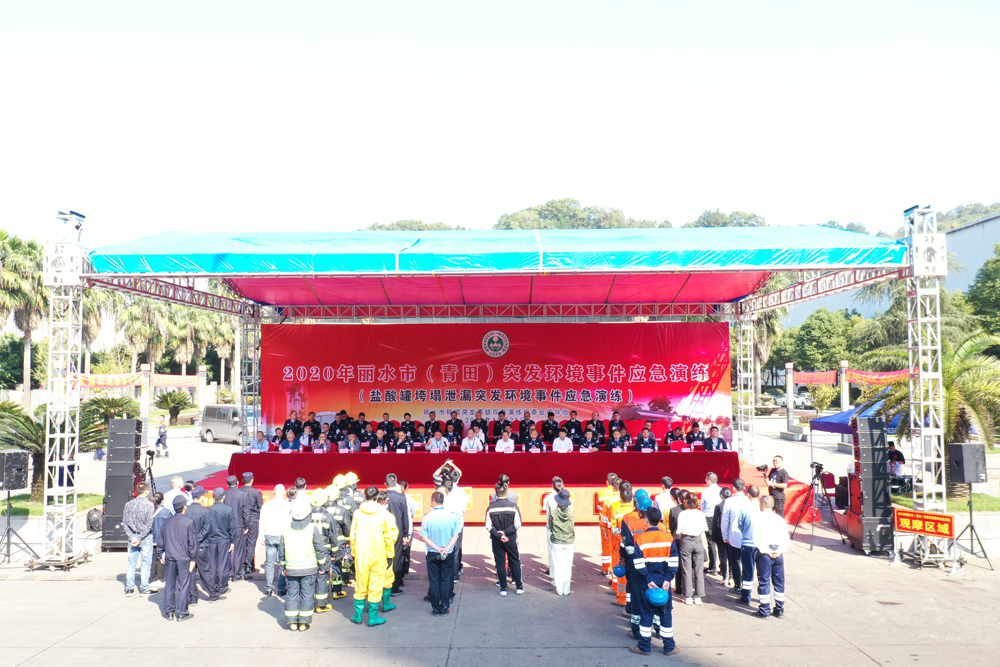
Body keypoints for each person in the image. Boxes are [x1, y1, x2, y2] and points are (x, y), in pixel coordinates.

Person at [628, 507, 679, 656]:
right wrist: (668, 579)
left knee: (646, 613)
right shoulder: (668, 538)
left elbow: (638, 563)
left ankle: (644, 646)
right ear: (659, 521)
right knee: (665, 613)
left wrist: (648, 580)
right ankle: (669, 646)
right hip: (664, 581)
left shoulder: (641, 539)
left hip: (647, 581)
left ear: (646, 520)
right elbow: (674, 561)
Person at [350, 486, 398, 626]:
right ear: (377, 497)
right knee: (376, 584)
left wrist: (354, 552)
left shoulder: (358, 513)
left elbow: (353, 535)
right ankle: (372, 617)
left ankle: (358, 616)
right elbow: (389, 536)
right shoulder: (384, 514)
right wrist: (390, 554)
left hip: (361, 553)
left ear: (365, 496)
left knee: (361, 583)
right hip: (379, 553)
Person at [280, 498, 327, 631]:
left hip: (292, 569)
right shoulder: (312, 528)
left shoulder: (286, 529)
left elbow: (281, 551)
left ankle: (292, 622)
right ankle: (303, 623)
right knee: (307, 595)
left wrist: (283, 567)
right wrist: (322, 566)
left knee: (292, 594)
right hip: (309, 569)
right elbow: (319, 548)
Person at [417, 490, 462, 616]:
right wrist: (446, 549)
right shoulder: (452, 517)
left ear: (433, 501)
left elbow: (424, 538)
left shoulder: (427, 518)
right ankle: (445, 606)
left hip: (432, 553)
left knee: (434, 581)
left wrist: (437, 548)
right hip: (448, 552)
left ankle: (435, 608)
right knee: (445, 580)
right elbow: (456, 536)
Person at [160, 496, 197, 621]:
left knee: (170, 585)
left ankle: (169, 612)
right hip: (183, 558)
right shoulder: (189, 522)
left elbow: (161, 540)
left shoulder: (166, 522)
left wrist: (160, 554)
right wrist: (193, 558)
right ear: (185, 507)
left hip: (170, 557)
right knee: (183, 585)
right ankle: (182, 612)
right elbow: (192, 543)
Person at [753, 495, 789, 619]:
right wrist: (779, 551)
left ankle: (764, 610)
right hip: (778, 553)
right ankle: (779, 609)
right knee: (779, 581)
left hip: (765, 554)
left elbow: (756, 538)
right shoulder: (779, 520)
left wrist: (767, 551)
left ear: (763, 505)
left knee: (764, 581)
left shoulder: (759, 519)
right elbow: (785, 538)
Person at [487, 483, 524, 596]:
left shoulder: (491, 508)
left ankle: (503, 587)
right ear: (507, 492)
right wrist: (506, 533)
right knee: (515, 561)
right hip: (510, 538)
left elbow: (488, 526)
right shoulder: (513, 506)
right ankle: (519, 586)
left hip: (497, 539)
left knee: (500, 562)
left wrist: (499, 535)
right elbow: (518, 524)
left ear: (496, 493)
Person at [123, 481, 155, 597]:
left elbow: (125, 523)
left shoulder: (128, 504)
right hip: (145, 538)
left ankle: (129, 588)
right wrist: (140, 537)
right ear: (146, 491)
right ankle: (145, 588)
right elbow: (149, 524)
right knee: (145, 564)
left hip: (132, 537)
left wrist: (133, 537)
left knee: (131, 564)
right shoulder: (149, 505)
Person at [206, 487, 236, 601]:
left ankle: (214, 585)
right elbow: (232, 527)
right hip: (224, 539)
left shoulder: (208, 509)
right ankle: (223, 586)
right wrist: (232, 541)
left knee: (213, 564)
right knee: (223, 564)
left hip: (212, 539)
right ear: (224, 496)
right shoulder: (228, 509)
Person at [677, 495, 708, 605]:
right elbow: (703, 529)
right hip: (697, 540)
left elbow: (679, 531)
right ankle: (698, 596)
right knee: (699, 569)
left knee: (686, 569)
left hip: (686, 540)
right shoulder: (700, 514)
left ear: (686, 502)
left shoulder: (682, 514)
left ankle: (688, 596)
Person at [608, 483, 635, 607]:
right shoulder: (636, 512)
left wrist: (622, 541)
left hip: (620, 545)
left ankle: (621, 598)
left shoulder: (617, 511)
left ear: (621, 498)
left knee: (621, 572)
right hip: (636, 545)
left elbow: (614, 530)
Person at [260, 484, 290, 596]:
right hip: (283, 536)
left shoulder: (267, 505)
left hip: (270, 536)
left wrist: (262, 536)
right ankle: (281, 588)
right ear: (284, 493)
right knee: (282, 563)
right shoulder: (288, 505)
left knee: (269, 563)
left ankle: (269, 588)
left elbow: (262, 522)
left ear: (273, 493)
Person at [184, 487, 212, 607]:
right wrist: (197, 539)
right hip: (201, 545)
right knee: (205, 571)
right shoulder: (205, 511)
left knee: (190, 572)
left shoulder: (186, 510)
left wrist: (191, 540)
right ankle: (213, 593)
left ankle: (193, 597)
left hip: (188, 546)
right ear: (201, 497)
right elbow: (206, 528)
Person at [721, 478, 749, 595]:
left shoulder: (729, 501)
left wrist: (725, 535)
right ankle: (746, 585)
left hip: (734, 537)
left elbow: (725, 520)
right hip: (748, 537)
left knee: (735, 561)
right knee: (746, 562)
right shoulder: (749, 500)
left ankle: (738, 585)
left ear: (733, 488)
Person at [385, 474, 411, 598]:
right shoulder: (401, 497)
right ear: (396, 484)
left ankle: (383, 585)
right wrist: (406, 533)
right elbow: (405, 516)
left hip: (383, 531)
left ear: (385, 484)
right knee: (396, 558)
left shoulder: (381, 496)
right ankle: (394, 585)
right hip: (398, 531)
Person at [222, 475, 250, 582]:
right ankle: (237, 574)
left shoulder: (224, 495)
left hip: (226, 526)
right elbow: (246, 512)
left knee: (228, 550)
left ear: (227, 484)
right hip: (239, 525)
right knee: (239, 551)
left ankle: (229, 571)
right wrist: (246, 525)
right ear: (237, 483)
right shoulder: (243, 495)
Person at [737, 485, 762, 604]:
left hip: (748, 543)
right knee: (762, 572)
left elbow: (740, 525)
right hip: (761, 545)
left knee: (747, 570)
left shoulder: (745, 508)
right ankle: (763, 597)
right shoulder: (763, 507)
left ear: (748, 494)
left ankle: (746, 596)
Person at [548, 488, 575, 595]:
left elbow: (550, 526)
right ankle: (566, 590)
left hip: (557, 541)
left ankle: (559, 590)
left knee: (558, 566)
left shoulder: (553, 512)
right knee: (567, 566)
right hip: (569, 541)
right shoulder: (570, 513)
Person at [240, 472, 263, 577]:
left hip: (242, 520)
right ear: (252, 480)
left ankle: (242, 564)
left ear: (242, 481)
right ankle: (249, 566)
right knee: (251, 543)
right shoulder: (256, 492)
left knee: (242, 544)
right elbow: (260, 507)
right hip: (253, 520)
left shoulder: (239, 492)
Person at [597, 474, 620, 575]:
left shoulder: (601, 493)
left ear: (607, 482)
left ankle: (606, 568)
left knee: (606, 545)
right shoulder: (622, 495)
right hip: (617, 525)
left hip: (605, 524)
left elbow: (600, 508)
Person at [700, 473, 722, 574]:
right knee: (721, 542)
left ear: (709, 480)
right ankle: (722, 567)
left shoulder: (705, 492)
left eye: (706, 479)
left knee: (711, 542)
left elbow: (703, 507)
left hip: (709, 518)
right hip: (720, 518)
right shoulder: (721, 490)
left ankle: (713, 567)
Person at [712, 487, 733, 586]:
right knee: (732, 556)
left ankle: (725, 577)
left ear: (721, 496)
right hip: (732, 534)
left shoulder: (718, 506)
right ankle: (731, 577)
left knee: (723, 556)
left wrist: (713, 537)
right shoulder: (733, 506)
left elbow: (715, 522)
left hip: (721, 534)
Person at [150, 493, 170, 591]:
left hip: (151, 538)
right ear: (162, 501)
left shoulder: (150, 511)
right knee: (162, 558)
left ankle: (153, 578)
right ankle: (161, 578)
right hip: (162, 539)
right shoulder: (166, 512)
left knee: (153, 559)